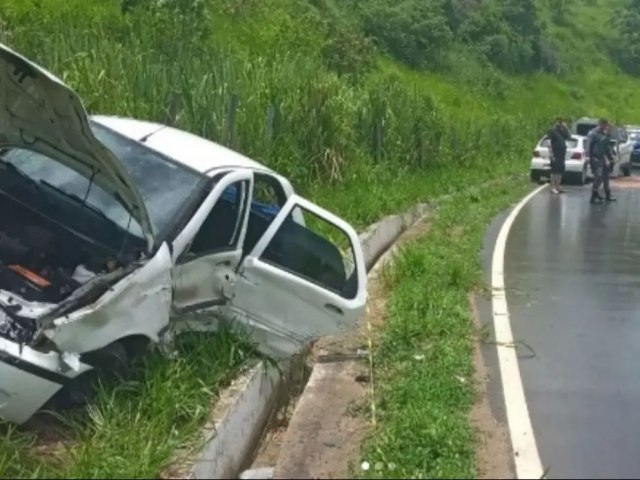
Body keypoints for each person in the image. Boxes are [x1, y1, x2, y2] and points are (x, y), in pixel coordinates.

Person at [586, 118, 616, 204]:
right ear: (600, 124)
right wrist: (588, 157)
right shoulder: (593, 133)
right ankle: (594, 195)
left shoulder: (603, 133)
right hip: (595, 157)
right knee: (598, 177)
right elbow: (588, 145)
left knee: (605, 176)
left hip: (602, 157)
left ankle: (607, 194)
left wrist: (610, 157)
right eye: (604, 125)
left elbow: (605, 147)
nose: (605, 127)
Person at [546, 117, 572, 194]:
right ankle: (553, 187)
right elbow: (548, 142)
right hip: (555, 153)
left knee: (560, 170)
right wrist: (551, 154)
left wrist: (566, 127)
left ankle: (558, 186)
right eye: (558, 122)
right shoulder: (552, 131)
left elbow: (569, 137)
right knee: (554, 171)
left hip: (562, 154)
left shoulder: (562, 131)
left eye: (561, 122)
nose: (560, 124)